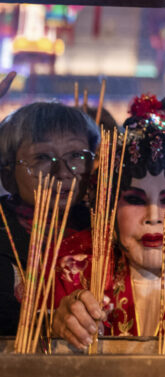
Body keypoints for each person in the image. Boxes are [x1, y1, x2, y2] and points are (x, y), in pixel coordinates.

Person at [50, 96, 165, 348]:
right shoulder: (72, 268)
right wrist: (58, 322)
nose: (153, 217)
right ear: (109, 207)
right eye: (135, 200)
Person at [0, 102, 99, 336]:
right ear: (7, 172)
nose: (63, 172)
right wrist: (48, 323)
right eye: (43, 157)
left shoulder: (104, 232)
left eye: (76, 155)